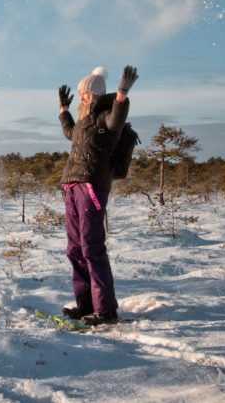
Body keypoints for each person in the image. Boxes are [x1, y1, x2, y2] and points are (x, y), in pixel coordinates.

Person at [57, 64, 138, 326]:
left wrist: (122, 93)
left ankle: (106, 310)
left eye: (84, 92)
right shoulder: (84, 121)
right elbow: (71, 133)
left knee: (92, 247)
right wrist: (63, 110)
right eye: (79, 92)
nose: (81, 96)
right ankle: (86, 305)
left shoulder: (105, 117)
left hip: (92, 185)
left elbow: (118, 119)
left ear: (94, 94)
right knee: (75, 248)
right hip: (72, 185)